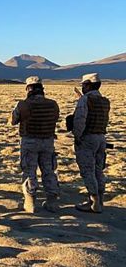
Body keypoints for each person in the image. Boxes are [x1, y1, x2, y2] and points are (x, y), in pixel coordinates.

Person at [9, 76, 60, 213]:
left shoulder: (22, 104)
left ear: (28, 89)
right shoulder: (53, 104)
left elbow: (13, 121)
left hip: (29, 141)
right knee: (49, 171)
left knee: (29, 171)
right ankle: (52, 202)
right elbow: (55, 118)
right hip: (48, 142)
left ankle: (30, 203)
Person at [72, 73, 110, 213]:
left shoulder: (86, 100)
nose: (82, 87)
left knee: (88, 171)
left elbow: (80, 120)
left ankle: (93, 202)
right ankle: (100, 199)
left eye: (83, 85)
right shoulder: (105, 101)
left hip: (88, 139)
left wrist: (77, 136)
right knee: (98, 170)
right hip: (101, 138)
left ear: (88, 85)